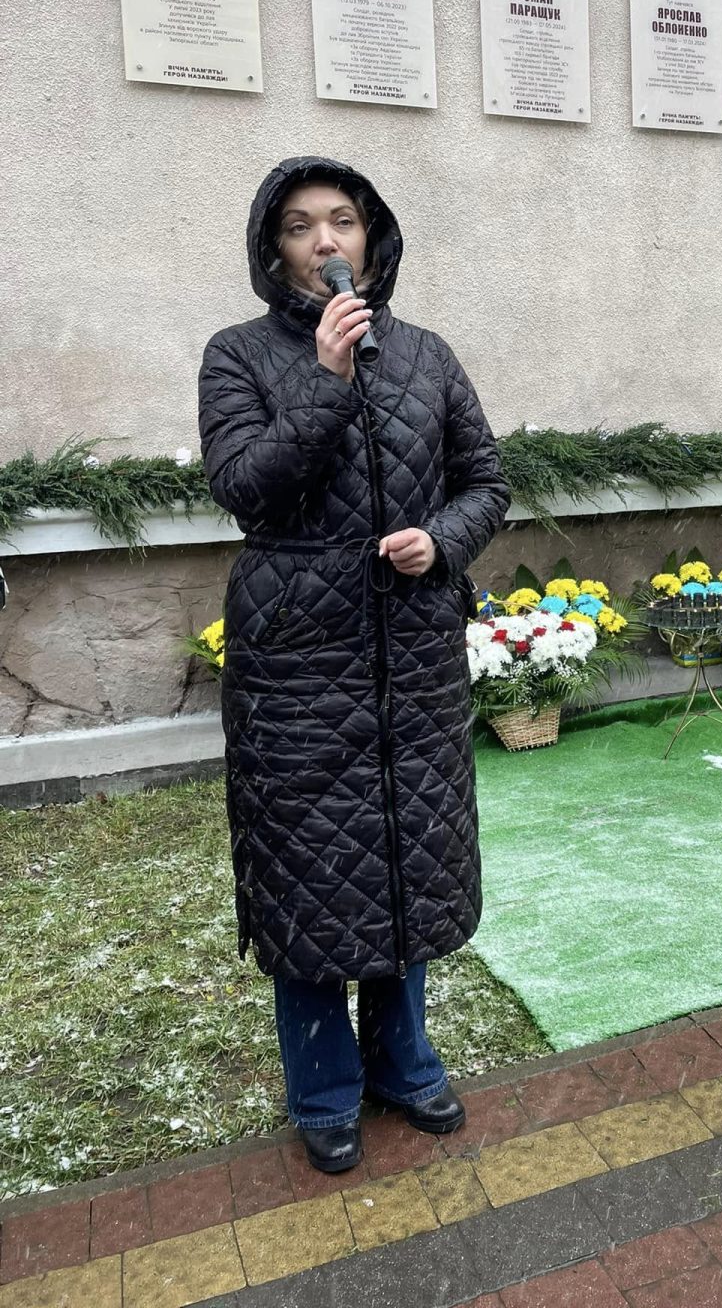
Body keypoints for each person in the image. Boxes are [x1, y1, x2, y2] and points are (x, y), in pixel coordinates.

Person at [198, 157, 509, 1175]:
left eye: (342, 221)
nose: (325, 241)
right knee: (310, 870)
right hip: (296, 659)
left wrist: (441, 542)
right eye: (300, 226)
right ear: (274, 249)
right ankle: (324, 1088)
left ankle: (403, 1061)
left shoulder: (426, 355)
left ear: (372, 237)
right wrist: (325, 382)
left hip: (413, 654)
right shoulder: (237, 356)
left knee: (408, 858)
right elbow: (246, 489)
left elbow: (485, 482)